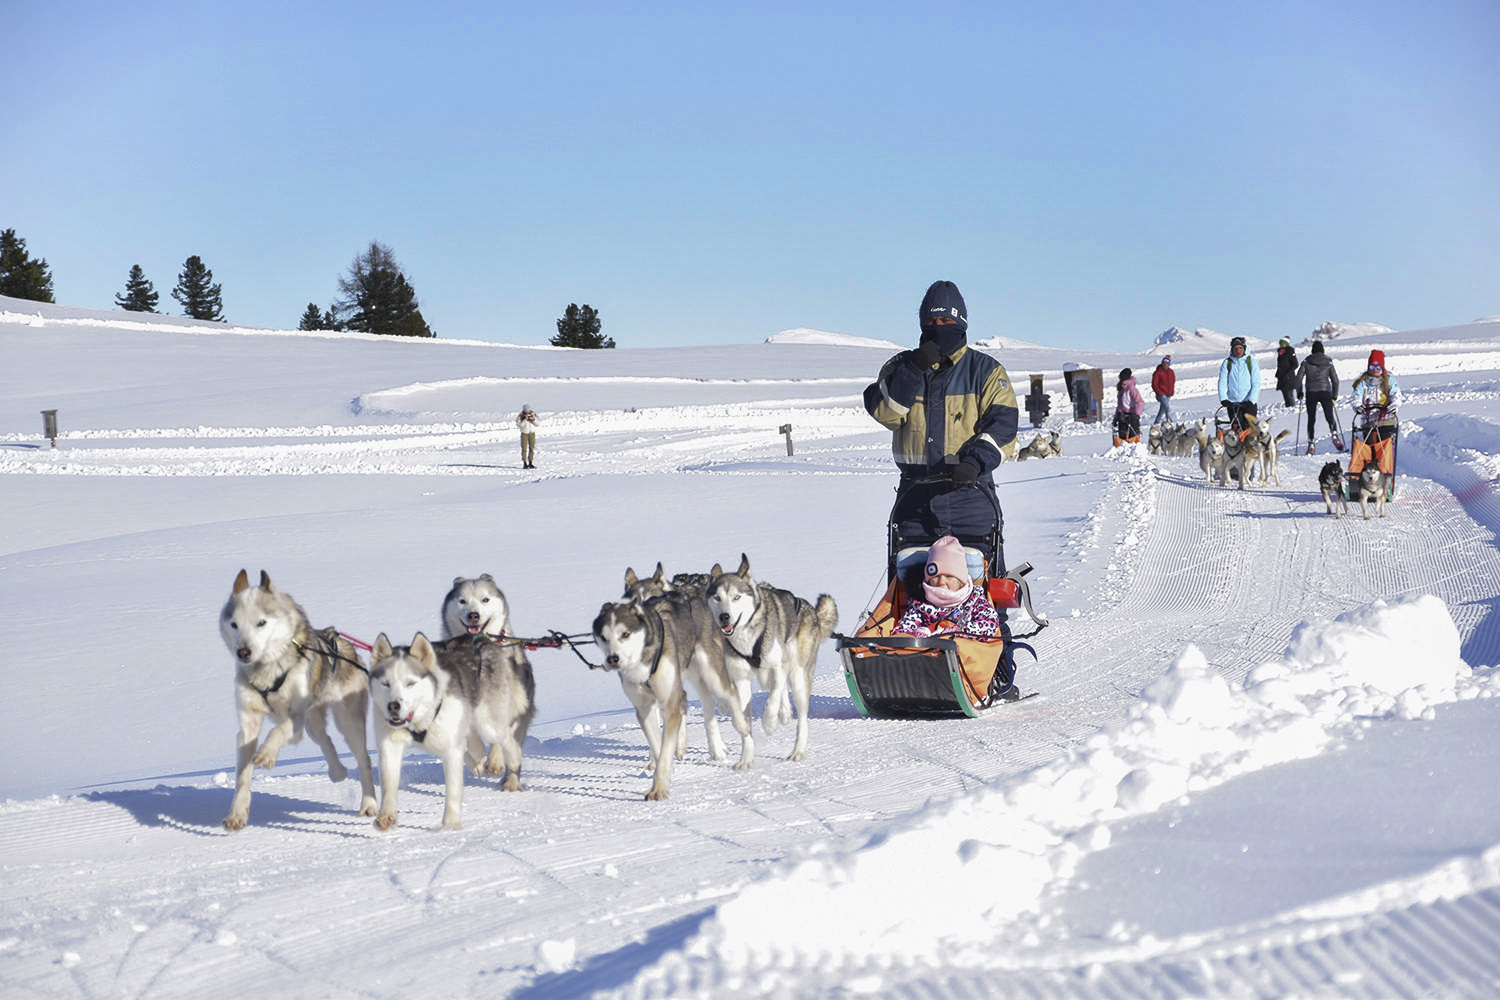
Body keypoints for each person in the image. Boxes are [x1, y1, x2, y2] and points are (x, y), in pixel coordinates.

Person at [863, 280, 1019, 580]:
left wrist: (975, 461)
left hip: (970, 497)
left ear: (960, 322)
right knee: (908, 594)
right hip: (914, 499)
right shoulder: (899, 366)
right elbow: (886, 413)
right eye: (931, 321)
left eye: (946, 320)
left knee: (983, 592)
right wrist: (913, 370)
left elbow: (1003, 426)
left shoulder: (986, 371)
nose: (938, 327)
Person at [893, 535, 1000, 639]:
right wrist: (917, 634)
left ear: (961, 581)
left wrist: (957, 631)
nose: (941, 582)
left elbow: (990, 624)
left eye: (949, 577)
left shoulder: (974, 600)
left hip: (961, 650)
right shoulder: (920, 603)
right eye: (936, 576)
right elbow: (903, 629)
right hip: (930, 653)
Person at [1348, 349, 1401, 477]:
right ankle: (1366, 476)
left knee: (1384, 448)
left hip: (1386, 419)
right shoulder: (1363, 383)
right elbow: (1356, 396)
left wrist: (1394, 405)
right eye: (1372, 366)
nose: (1375, 369)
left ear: (1382, 367)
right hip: (1369, 419)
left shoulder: (1389, 381)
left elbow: (1396, 395)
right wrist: (1358, 406)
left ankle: (1384, 475)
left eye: (1377, 366)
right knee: (1369, 449)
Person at [1297, 340, 1341, 454]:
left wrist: (1299, 392)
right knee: (1329, 415)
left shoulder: (1306, 362)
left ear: (1312, 351)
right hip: (1325, 391)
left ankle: (1311, 443)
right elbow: (1335, 380)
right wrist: (1334, 395)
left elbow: (1298, 379)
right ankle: (1335, 436)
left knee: (1311, 418)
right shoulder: (1329, 362)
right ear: (1322, 350)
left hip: (1311, 392)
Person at [1217, 335, 1261, 430]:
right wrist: (1223, 398)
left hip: (1248, 403)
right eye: (1235, 348)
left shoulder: (1251, 362)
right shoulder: (1227, 363)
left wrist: (1252, 399)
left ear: (1244, 349)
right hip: (1233, 403)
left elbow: (1256, 383)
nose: (1238, 350)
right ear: (1232, 350)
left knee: (1249, 430)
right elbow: (1222, 381)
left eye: (1240, 348)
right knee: (1236, 430)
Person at [1113, 368, 1144, 446]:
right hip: (1122, 417)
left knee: (1133, 439)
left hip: (1132, 417)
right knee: (1122, 439)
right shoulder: (1122, 389)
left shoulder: (1131, 389)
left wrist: (1136, 414)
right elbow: (1119, 405)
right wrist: (1116, 416)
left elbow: (1140, 402)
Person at [1275, 338, 1301, 408]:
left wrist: (1288, 373)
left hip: (1289, 378)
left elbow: (1295, 364)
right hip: (1282, 378)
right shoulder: (1280, 353)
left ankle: (1291, 408)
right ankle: (1288, 407)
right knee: (1285, 395)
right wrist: (1278, 373)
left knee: (1289, 395)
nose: (1281, 345)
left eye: (1282, 344)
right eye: (1280, 344)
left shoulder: (1290, 352)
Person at [1150, 355, 1176, 425]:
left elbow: (1173, 381)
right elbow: (1154, 384)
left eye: (1167, 363)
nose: (1165, 364)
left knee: (1162, 410)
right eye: (1164, 363)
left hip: (1168, 394)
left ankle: (1156, 422)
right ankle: (1170, 422)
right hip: (1161, 394)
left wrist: (1172, 391)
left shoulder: (1171, 372)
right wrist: (1159, 392)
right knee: (1167, 409)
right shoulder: (1157, 372)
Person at [517, 404, 539, 469]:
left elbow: (537, 424)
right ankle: (524, 462)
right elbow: (520, 425)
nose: (527, 413)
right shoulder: (520, 417)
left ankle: (530, 462)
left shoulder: (533, 415)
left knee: (532, 448)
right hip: (524, 433)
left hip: (532, 433)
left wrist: (533, 419)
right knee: (524, 448)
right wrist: (525, 419)